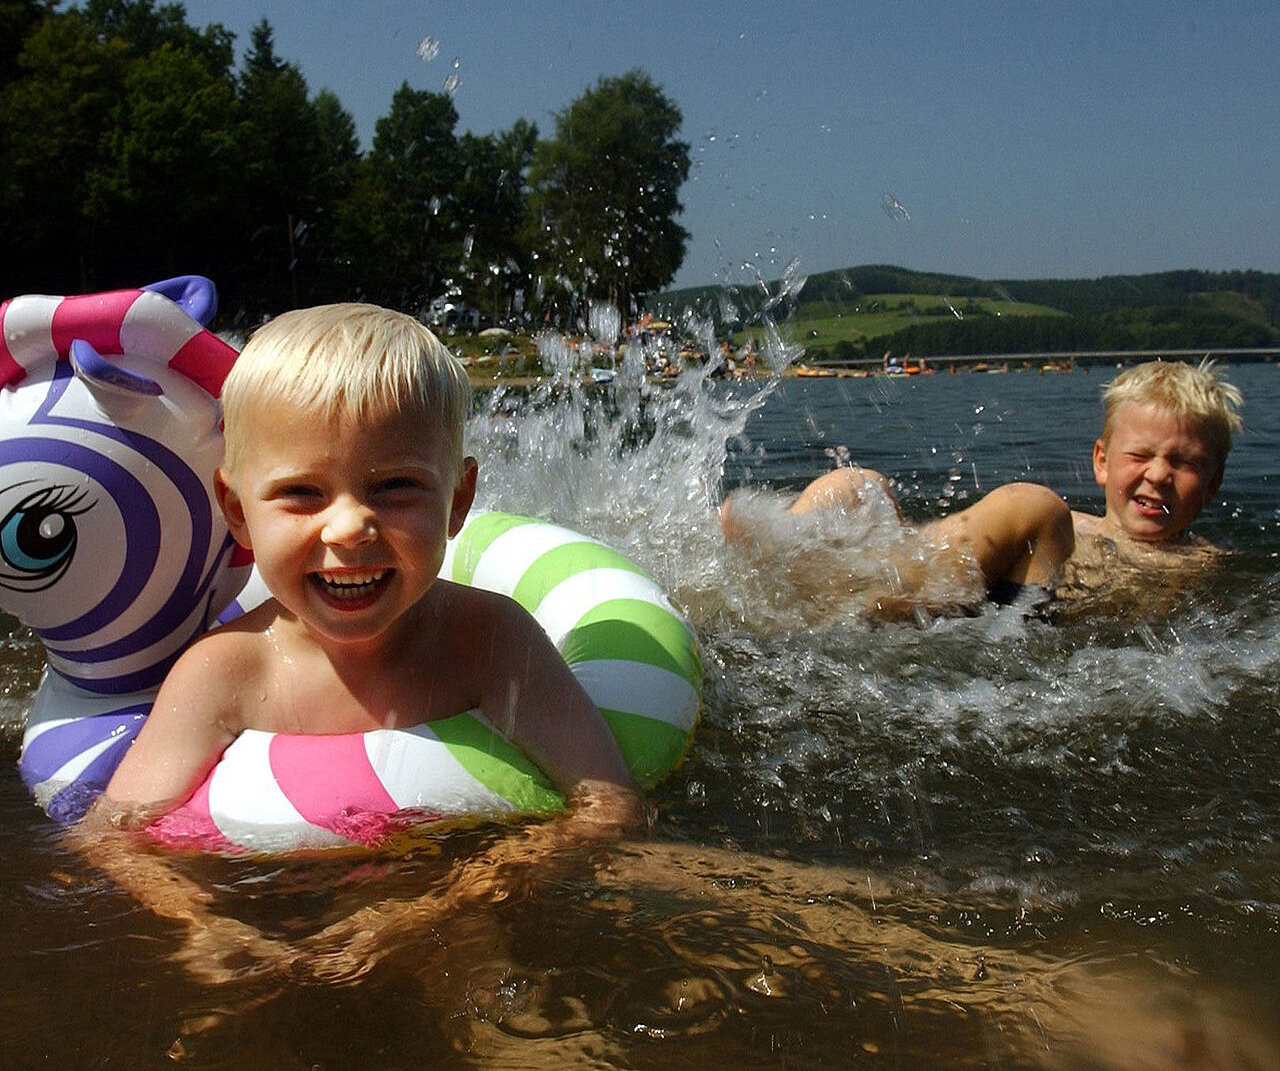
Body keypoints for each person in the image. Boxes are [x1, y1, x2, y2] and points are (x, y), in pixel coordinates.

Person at [93, 302, 642, 833]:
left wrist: (498, 874)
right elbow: (115, 838)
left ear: (457, 501)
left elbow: (609, 806)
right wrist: (205, 923)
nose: (350, 527)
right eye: (302, 492)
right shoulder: (225, 673)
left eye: (396, 486)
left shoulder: (491, 643)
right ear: (237, 511)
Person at [720, 359, 1242, 616]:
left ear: (1214, 482)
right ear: (1101, 462)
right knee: (860, 484)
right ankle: (788, 544)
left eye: (1184, 463)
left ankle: (816, 580)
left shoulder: (1200, 560)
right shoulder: (1078, 527)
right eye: (1140, 456)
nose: (1157, 474)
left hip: (1009, 614)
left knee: (1036, 506)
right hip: (945, 575)